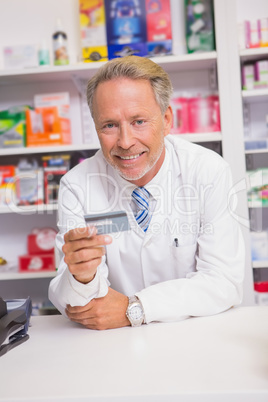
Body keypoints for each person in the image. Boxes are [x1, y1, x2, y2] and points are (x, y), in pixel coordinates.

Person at [48, 55, 245, 330]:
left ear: (166, 120)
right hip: (112, 346)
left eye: (139, 121)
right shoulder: (77, 185)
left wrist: (136, 308)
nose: (126, 142)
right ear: (96, 128)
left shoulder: (208, 171)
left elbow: (224, 282)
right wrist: (82, 277)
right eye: (110, 125)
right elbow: (72, 303)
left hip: (194, 335)